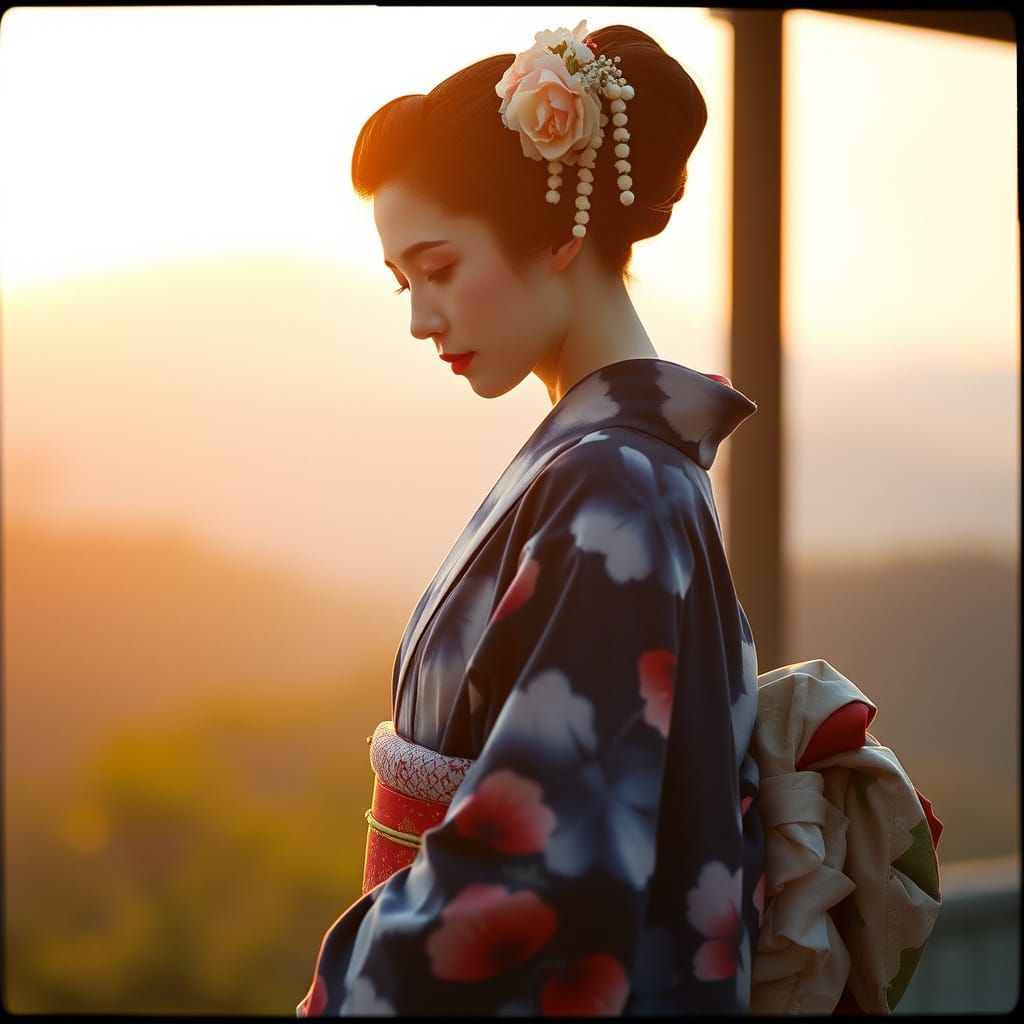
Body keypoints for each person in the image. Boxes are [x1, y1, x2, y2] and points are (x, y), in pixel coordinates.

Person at [296, 19, 762, 1016]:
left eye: (440, 268)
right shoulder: (607, 464)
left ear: (560, 233)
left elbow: (551, 875)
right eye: (402, 284)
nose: (421, 318)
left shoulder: (615, 485)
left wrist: (343, 995)